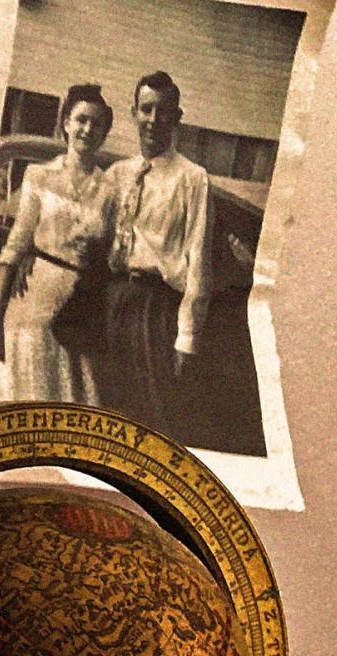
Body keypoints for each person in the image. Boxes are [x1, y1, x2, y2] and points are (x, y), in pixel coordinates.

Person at [101, 70, 212, 431]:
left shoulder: (192, 178)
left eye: (162, 111)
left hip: (155, 307)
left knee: (149, 417)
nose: (152, 120)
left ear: (176, 117)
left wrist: (187, 337)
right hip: (113, 298)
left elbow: (198, 262)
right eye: (146, 109)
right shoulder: (118, 173)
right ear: (133, 112)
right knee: (105, 408)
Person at [0, 84, 116, 404]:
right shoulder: (39, 175)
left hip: (79, 309)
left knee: (74, 402)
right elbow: (15, 245)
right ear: (65, 122)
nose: (88, 129)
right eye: (81, 120)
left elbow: (112, 255)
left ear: (105, 132)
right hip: (32, 300)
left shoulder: (111, 190)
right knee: (26, 399)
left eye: (97, 123)